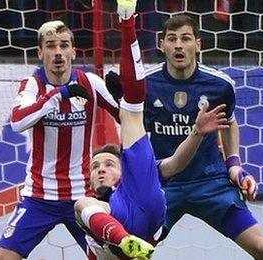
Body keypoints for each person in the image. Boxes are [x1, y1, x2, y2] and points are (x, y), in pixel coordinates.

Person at [105, 14, 263, 260]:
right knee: (127, 252)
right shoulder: (145, 83)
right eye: (172, 39)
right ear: (162, 45)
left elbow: (229, 123)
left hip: (209, 182)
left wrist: (234, 166)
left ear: (198, 44)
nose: (179, 45)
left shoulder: (220, 85)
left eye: (186, 38)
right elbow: (130, 126)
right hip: (162, 184)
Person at [73, 1, 229, 259]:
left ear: (122, 168)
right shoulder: (100, 210)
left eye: (110, 164)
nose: (101, 169)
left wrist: (197, 133)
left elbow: (176, 163)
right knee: (86, 206)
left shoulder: (138, 174)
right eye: (95, 166)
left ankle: (127, 22)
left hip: (139, 199)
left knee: (132, 113)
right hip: (126, 225)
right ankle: (128, 244)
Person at [0, 20, 120, 260]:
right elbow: (18, 122)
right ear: (41, 52)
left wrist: (126, 98)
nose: (58, 52)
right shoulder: (32, 85)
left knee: (112, 258)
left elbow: (126, 118)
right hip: (39, 196)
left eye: (64, 45)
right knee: (4, 258)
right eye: (51, 46)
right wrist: (58, 94)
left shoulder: (90, 82)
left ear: (73, 51)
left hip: (83, 196)